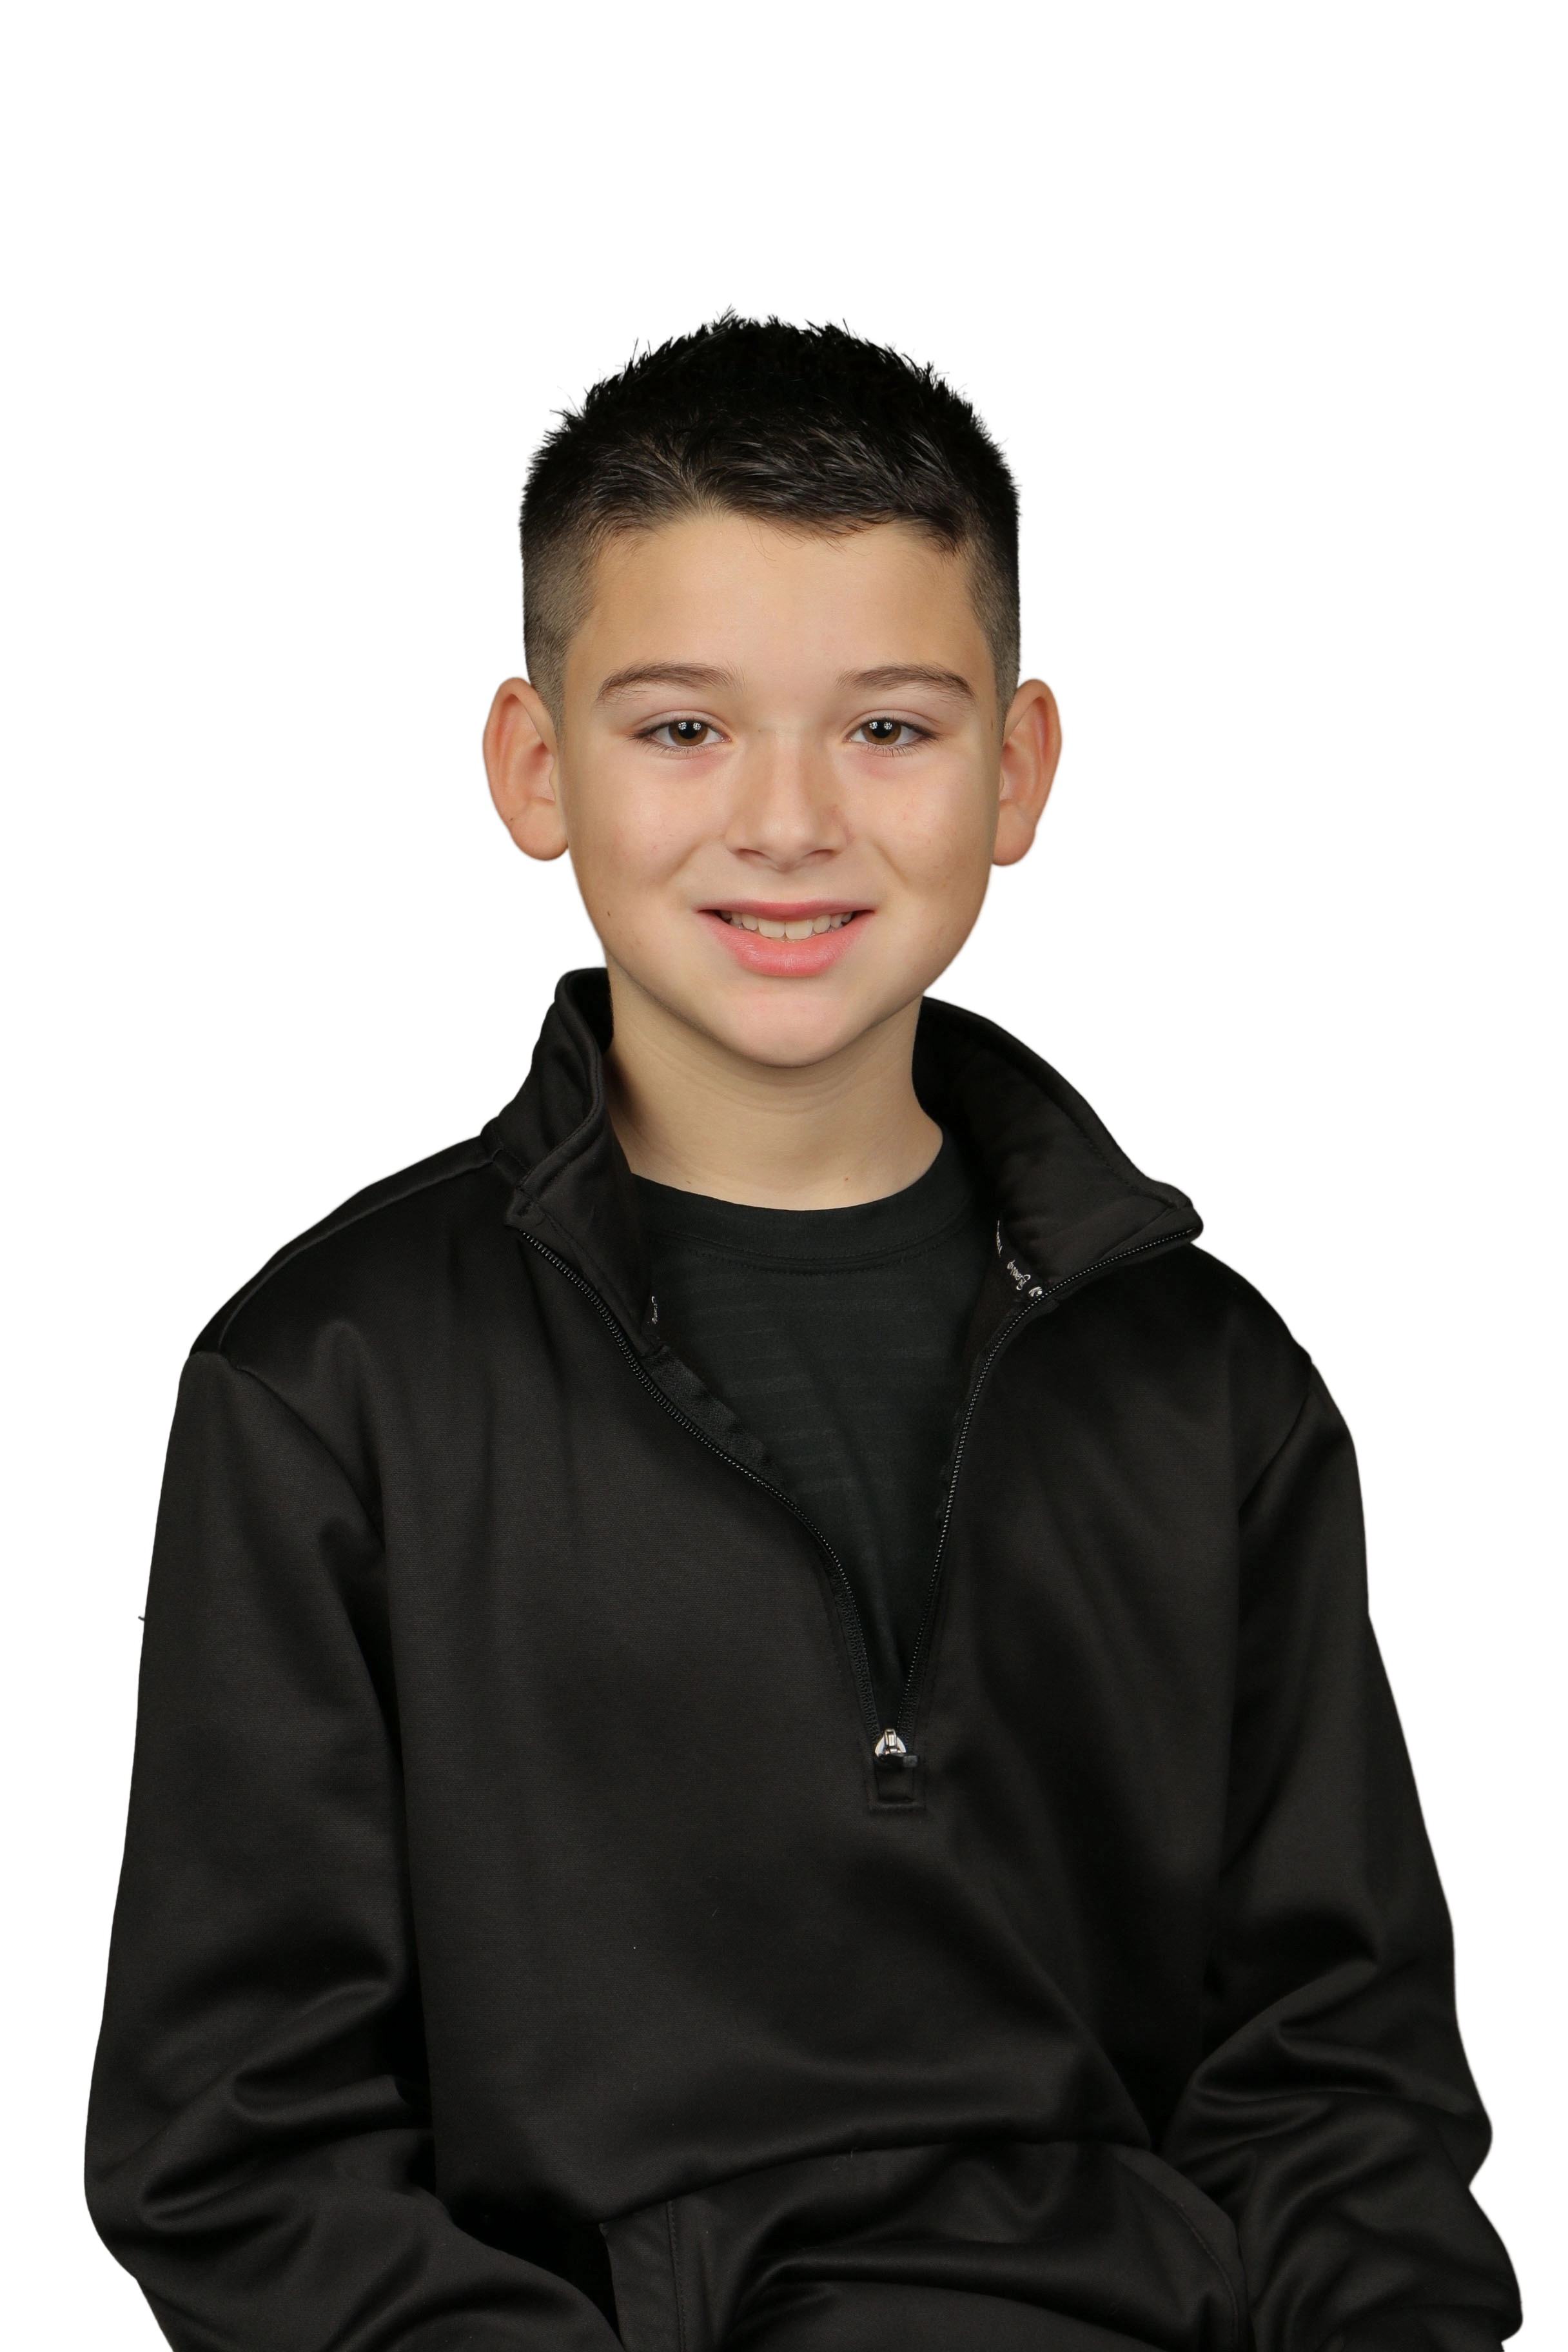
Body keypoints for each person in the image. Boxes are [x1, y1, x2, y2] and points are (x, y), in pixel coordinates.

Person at [83, 306, 1524, 2352]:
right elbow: (236, 2153)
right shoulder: (327, 1379)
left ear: (1021, 769)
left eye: (890, 729)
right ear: (534, 768)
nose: (787, 821)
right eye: (683, 729)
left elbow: (1339, 2083)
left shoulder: (1213, 1378)